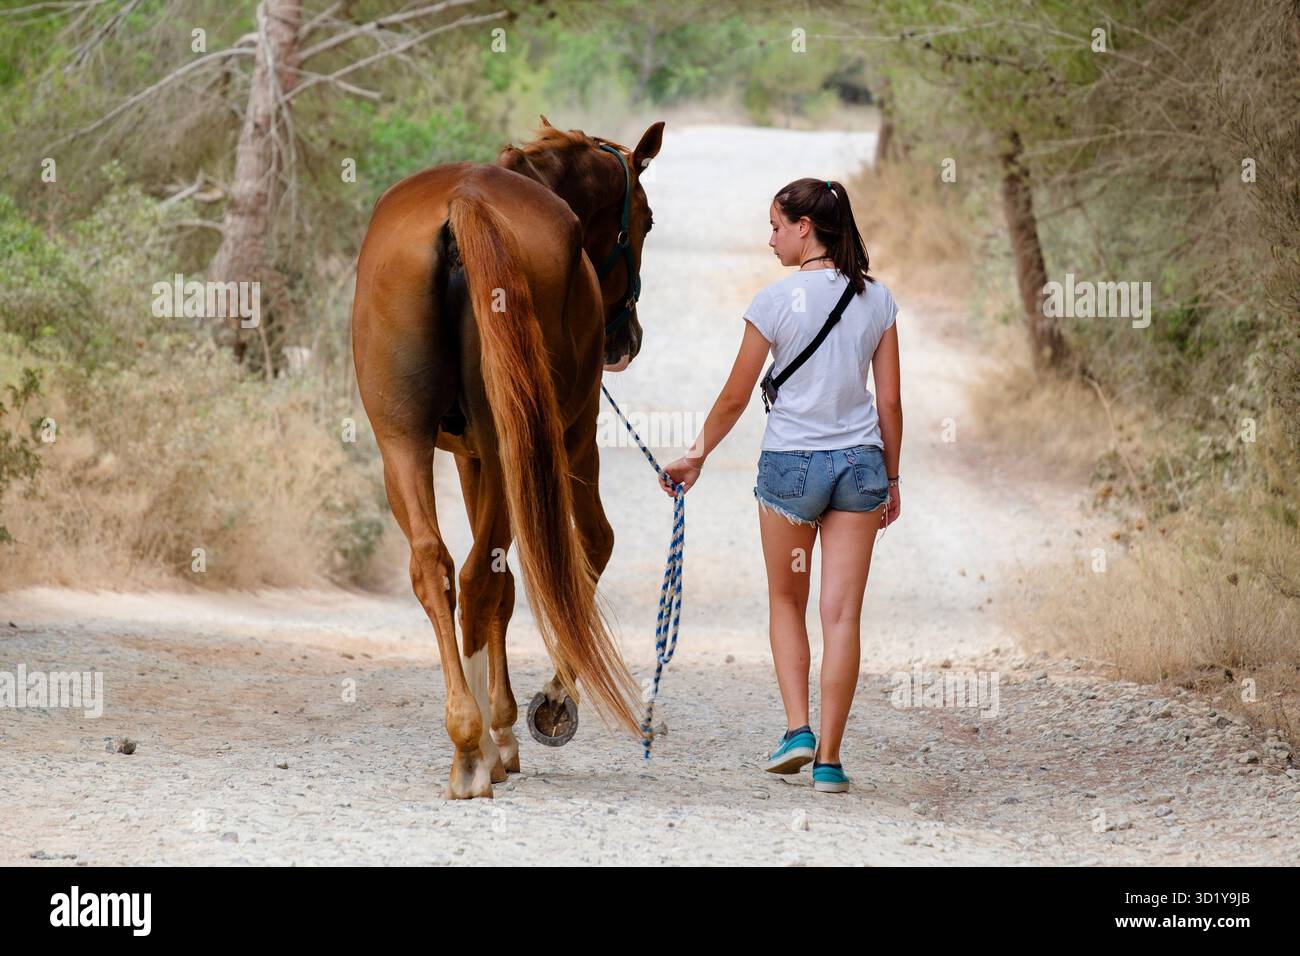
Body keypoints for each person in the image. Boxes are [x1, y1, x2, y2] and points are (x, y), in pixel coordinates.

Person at [659, 177, 902, 794]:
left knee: (787, 602)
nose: (769, 239)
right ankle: (829, 760)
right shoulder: (876, 299)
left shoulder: (773, 301)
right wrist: (892, 477)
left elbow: (737, 396)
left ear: (803, 228)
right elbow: (891, 403)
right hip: (860, 467)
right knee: (842, 615)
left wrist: (697, 455)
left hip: (792, 467)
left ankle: (796, 728)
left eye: (774, 226)